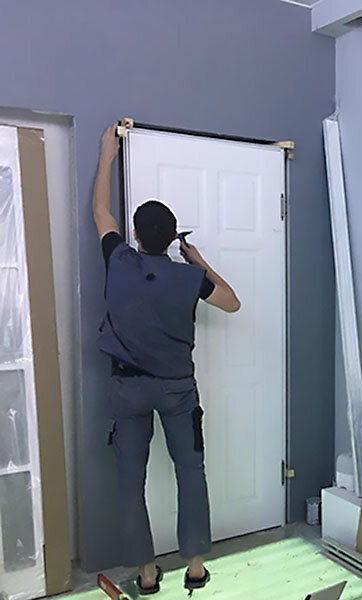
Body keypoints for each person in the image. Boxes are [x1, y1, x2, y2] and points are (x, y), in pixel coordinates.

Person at [93, 125, 241, 594]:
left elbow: (100, 212)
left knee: (130, 480)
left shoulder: (119, 260)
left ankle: (146, 573)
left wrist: (107, 154)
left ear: (135, 235)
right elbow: (232, 301)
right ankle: (195, 568)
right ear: (172, 237)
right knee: (190, 472)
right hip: (178, 390)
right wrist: (196, 260)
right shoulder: (187, 278)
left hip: (127, 389)